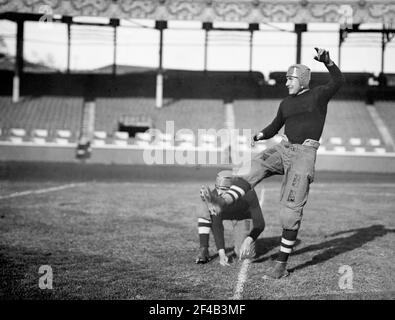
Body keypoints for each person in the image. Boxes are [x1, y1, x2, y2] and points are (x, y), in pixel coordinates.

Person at [201, 48, 345, 278]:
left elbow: (338, 80)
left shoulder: (318, 95)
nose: (287, 83)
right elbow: (274, 126)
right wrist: (259, 135)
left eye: (290, 79)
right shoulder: (286, 102)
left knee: (289, 211)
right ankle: (223, 201)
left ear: (302, 80)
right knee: (253, 165)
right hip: (283, 148)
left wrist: (328, 61)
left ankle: (281, 265)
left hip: (303, 154)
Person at [196, 170, 265, 266]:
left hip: (243, 217)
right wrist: (222, 253)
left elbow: (260, 224)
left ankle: (243, 240)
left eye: (224, 189)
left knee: (244, 255)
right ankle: (203, 248)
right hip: (225, 213)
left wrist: (248, 239)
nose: (219, 193)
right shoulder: (215, 195)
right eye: (217, 188)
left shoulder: (249, 194)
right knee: (204, 207)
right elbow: (217, 225)